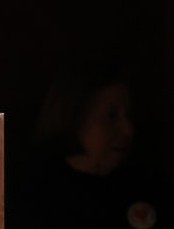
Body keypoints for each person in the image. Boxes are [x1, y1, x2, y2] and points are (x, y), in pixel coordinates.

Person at [11, 65, 171, 229]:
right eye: (111, 117)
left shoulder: (148, 185)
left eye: (129, 115)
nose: (128, 130)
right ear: (75, 118)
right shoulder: (34, 194)